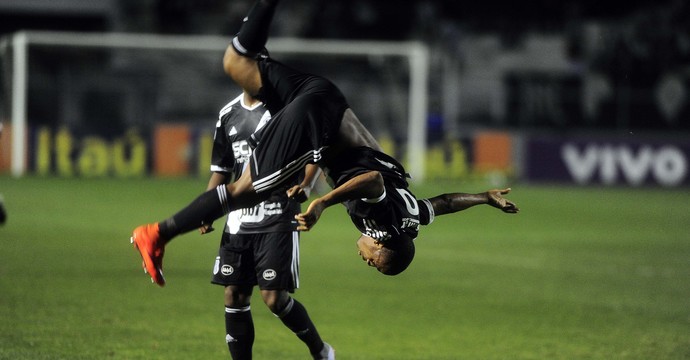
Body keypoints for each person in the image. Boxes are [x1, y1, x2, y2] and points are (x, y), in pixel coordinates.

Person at [131, 0, 517, 287]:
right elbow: (373, 182)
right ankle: (157, 233)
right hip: (320, 123)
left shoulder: (411, 219)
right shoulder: (383, 224)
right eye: (375, 263)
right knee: (244, 191)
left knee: (236, 62)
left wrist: (484, 197)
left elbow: (444, 203)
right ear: (384, 247)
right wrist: (323, 203)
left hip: (326, 97)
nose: (366, 260)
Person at [200, 91, 332, 359]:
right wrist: (206, 207)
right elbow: (222, 169)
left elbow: (313, 155)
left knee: (273, 298)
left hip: (278, 215)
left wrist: (306, 185)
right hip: (238, 219)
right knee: (234, 295)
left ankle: (320, 351)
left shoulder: (285, 111)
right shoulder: (228, 114)